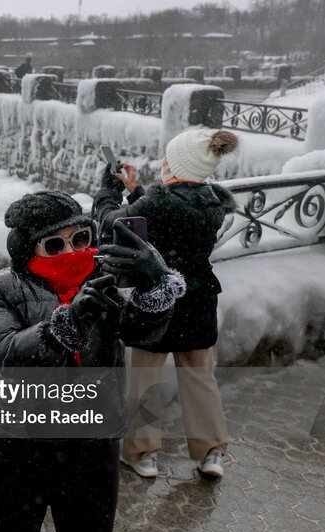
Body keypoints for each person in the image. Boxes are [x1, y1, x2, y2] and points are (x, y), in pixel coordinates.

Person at [0, 190, 186, 532]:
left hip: (90, 453)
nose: (71, 251)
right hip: (19, 451)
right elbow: (1, 350)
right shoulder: (2, 287)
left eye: (79, 239)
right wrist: (64, 324)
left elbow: (142, 332)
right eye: (54, 245)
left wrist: (155, 284)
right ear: (27, 249)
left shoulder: (101, 279)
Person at [91, 129, 239, 480]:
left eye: (167, 159)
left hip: (160, 300)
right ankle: (211, 452)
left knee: (145, 377)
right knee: (200, 375)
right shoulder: (212, 202)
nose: (161, 162)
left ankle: (143, 456)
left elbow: (113, 223)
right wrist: (136, 192)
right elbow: (172, 217)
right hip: (200, 297)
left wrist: (108, 191)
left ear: (176, 165)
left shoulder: (159, 204)